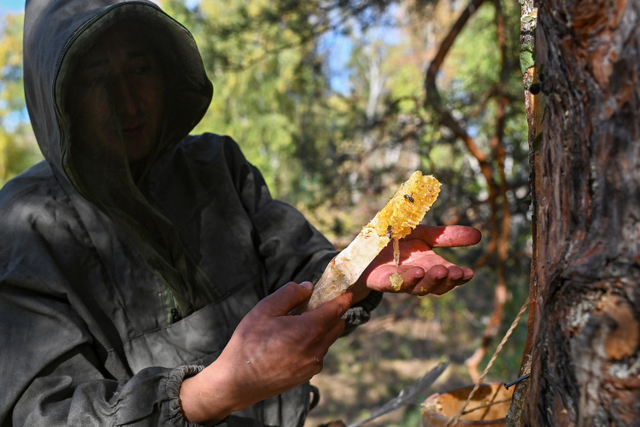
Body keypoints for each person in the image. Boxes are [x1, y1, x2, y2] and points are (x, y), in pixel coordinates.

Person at [0, 1, 481, 426]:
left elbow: (300, 273)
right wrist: (217, 392)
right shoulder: (22, 224)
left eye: (140, 68)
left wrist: (360, 266)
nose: (127, 102)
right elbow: (40, 411)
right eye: (94, 79)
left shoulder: (216, 166)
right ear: (56, 98)